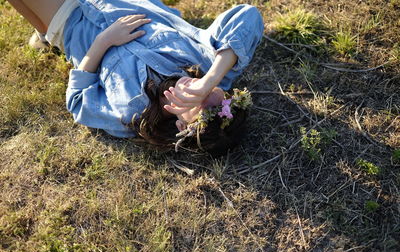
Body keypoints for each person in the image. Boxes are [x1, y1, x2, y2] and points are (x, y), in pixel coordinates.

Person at [7, 0, 264, 155]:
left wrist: (103, 41)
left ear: (182, 126)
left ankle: (45, 32)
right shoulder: (209, 63)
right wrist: (211, 78)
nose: (197, 88)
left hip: (75, 20)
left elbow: (78, 102)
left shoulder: (132, 114)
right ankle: (43, 32)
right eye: (212, 91)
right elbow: (248, 16)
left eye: (197, 101)